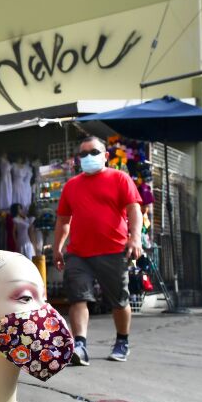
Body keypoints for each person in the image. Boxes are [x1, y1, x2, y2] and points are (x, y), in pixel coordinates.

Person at [53, 136, 143, 365]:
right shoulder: (71, 186)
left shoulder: (120, 178)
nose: (88, 157)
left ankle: (122, 341)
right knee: (78, 298)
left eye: (93, 152)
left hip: (113, 250)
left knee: (119, 300)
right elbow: (63, 221)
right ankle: (79, 345)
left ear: (105, 156)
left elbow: (134, 209)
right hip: (79, 253)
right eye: (82, 154)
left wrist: (135, 238)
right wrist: (57, 248)